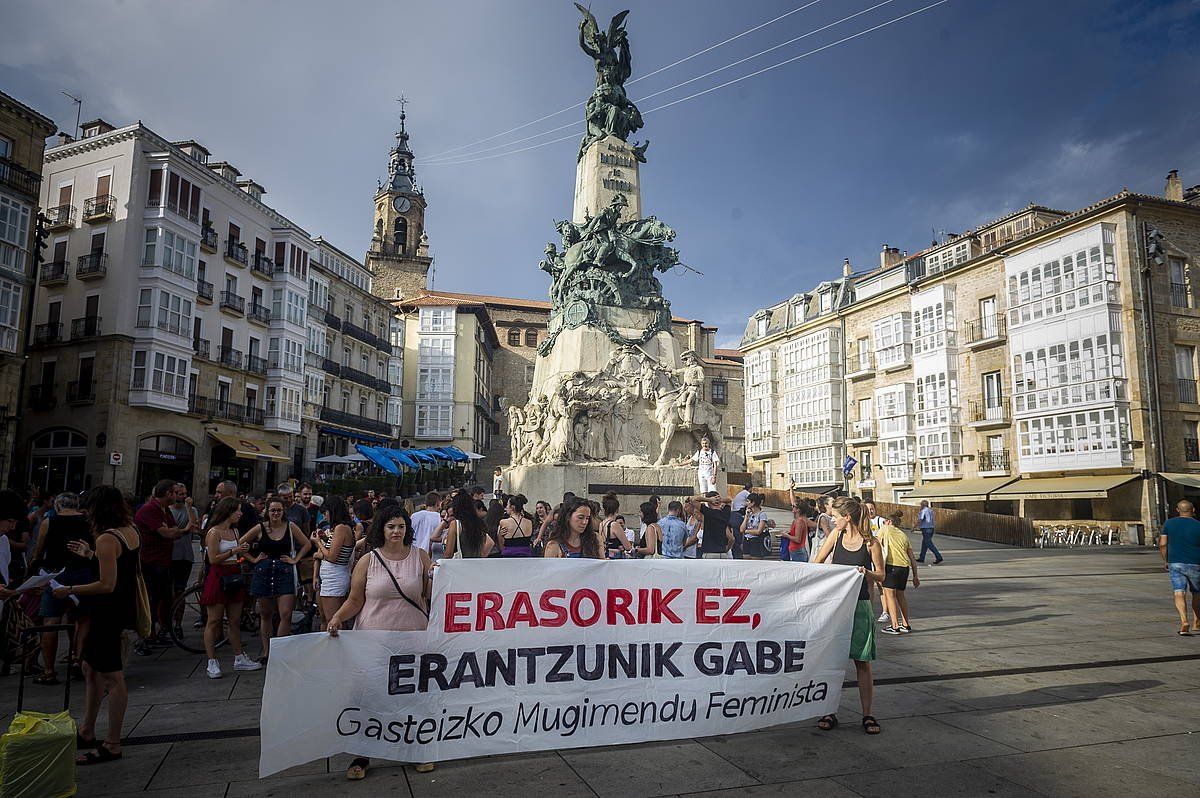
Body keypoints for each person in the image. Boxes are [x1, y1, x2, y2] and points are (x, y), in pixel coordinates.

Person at [327, 503, 434, 778]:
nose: (396, 531)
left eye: (401, 526)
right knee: (370, 696)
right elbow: (355, 600)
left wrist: (438, 576)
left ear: (407, 529)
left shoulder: (420, 557)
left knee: (411, 696)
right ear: (382, 530)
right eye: (391, 527)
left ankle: (414, 747)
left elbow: (431, 596)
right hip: (373, 639)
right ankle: (363, 753)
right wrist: (338, 617)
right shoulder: (368, 560)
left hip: (412, 638)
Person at [50, 486, 139, 765]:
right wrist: (92, 555)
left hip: (107, 613)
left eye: (87, 508)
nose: (84, 513)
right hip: (120, 609)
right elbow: (121, 569)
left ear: (97, 510)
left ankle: (112, 743)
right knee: (90, 667)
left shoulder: (106, 539)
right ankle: (87, 729)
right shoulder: (129, 531)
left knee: (113, 677)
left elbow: (106, 584)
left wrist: (70, 589)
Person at [812, 495, 885, 736]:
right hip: (836, 605)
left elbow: (881, 576)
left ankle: (867, 714)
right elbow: (818, 561)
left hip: (860, 604)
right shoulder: (836, 537)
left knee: (862, 662)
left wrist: (866, 573)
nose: (832, 522)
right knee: (834, 661)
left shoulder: (870, 543)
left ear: (847, 517)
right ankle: (829, 710)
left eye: (835, 517)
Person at [28, 492, 92, 685]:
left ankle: (48, 670)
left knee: (51, 621)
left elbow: (39, 550)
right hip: (81, 573)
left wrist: (34, 565)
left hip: (55, 575)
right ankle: (78, 660)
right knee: (83, 619)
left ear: (57, 506)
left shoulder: (50, 521)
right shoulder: (87, 521)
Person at [240, 498, 311, 663]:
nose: (276, 514)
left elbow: (307, 544)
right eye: (273, 510)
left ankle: (280, 651)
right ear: (267, 511)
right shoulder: (260, 528)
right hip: (263, 571)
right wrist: (252, 558)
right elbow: (241, 543)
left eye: (279, 510)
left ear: (283, 511)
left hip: (284, 570)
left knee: (285, 613)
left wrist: (296, 559)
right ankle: (266, 652)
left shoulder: (291, 527)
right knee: (265, 614)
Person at [199, 497, 261, 678]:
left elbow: (238, 554)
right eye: (238, 511)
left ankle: (239, 656)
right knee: (214, 620)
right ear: (229, 512)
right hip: (219, 575)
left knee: (234, 620)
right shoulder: (214, 532)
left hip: (234, 573)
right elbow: (213, 558)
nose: (240, 514)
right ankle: (212, 661)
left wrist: (246, 555)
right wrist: (234, 551)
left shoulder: (234, 531)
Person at [132, 479, 191, 654]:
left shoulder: (163, 510)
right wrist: (175, 531)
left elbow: (174, 531)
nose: (178, 495)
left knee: (164, 599)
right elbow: (167, 532)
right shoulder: (149, 510)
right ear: (168, 494)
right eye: (175, 492)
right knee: (150, 601)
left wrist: (174, 531)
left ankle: (155, 633)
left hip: (163, 561)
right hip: (150, 562)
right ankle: (143, 639)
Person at [313, 496, 356, 625]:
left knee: (332, 620)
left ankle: (336, 645)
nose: (325, 517)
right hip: (332, 577)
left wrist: (318, 542)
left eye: (325, 513)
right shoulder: (342, 527)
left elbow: (332, 557)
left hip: (334, 577)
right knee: (329, 619)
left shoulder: (341, 528)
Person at [1160, 499, 1200, 635]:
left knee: (1179, 591)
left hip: (1175, 563)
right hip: (1196, 563)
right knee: (1197, 593)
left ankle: (1184, 621)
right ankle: (1197, 622)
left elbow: (1163, 544)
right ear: (1193, 510)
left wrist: (1166, 560)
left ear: (1177, 510)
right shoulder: (1198, 525)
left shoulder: (1169, 523)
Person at [878, 511, 919, 634]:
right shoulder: (903, 535)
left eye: (885, 521)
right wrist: (916, 576)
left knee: (889, 596)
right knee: (900, 595)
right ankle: (905, 624)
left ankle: (895, 626)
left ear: (889, 522)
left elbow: (876, 543)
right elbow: (912, 557)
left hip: (891, 566)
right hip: (904, 568)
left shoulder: (885, 529)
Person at [168, 483, 199, 640]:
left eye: (184, 493)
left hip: (185, 555)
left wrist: (189, 508)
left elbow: (194, 526)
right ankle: (166, 624)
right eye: (179, 493)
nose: (182, 496)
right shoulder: (167, 510)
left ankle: (178, 624)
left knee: (180, 591)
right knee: (168, 592)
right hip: (169, 555)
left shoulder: (191, 510)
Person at [443, 490, 495, 559]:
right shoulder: (480, 524)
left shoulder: (455, 524)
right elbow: (488, 544)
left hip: (461, 566)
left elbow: (448, 554)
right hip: (477, 565)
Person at [694, 492, 734, 559]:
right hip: (722, 553)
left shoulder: (708, 512)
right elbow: (729, 500)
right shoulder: (725, 513)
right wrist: (719, 500)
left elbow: (694, 500)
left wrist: (708, 499)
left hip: (709, 554)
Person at [409, 492, 442, 557]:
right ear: (437, 503)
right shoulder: (439, 517)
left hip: (413, 552)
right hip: (429, 554)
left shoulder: (414, 516)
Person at [599, 492, 630, 559]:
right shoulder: (615, 525)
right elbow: (628, 547)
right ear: (617, 509)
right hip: (615, 560)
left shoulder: (601, 524)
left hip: (606, 557)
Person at [740, 493, 770, 559]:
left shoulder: (762, 514)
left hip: (756, 541)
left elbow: (759, 531)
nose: (746, 503)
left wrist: (747, 531)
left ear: (753, 502)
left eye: (748, 501)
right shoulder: (749, 514)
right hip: (747, 540)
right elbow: (741, 530)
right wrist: (746, 517)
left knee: (755, 561)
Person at [915, 500, 943, 564]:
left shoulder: (923, 511)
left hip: (926, 529)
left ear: (923, 505)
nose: (920, 506)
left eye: (921, 505)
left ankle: (939, 557)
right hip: (931, 528)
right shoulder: (931, 511)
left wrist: (914, 527)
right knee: (924, 543)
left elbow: (920, 520)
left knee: (929, 544)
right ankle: (922, 557)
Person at [729, 482, 751, 560]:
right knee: (739, 536)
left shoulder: (740, 493)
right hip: (739, 513)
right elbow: (751, 501)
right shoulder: (746, 493)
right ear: (750, 488)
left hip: (734, 513)